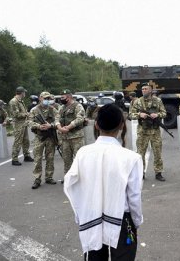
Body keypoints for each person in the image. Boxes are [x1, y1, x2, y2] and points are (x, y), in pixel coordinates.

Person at [64, 104, 143, 261]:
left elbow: (71, 185)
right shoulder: (131, 157)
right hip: (122, 220)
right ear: (121, 125)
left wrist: (80, 215)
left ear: (96, 124)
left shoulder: (83, 153)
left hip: (91, 217)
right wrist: (136, 221)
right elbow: (134, 196)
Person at [129, 83, 167, 181]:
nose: (144, 90)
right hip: (142, 131)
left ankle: (158, 173)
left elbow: (164, 113)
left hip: (155, 131)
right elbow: (130, 115)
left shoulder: (158, 101)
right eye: (142, 89)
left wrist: (157, 115)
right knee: (140, 153)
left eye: (146, 89)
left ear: (150, 90)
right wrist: (139, 115)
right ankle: (141, 173)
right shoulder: (137, 102)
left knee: (157, 153)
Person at [28, 91, 59, 189]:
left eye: (48, 98)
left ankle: (49, 177)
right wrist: (39, 126)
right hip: (39, 137)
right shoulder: (34, 110)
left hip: (50, 136)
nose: (47, 100)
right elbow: (29, 121)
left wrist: (51, 125)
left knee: (50, 157)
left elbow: (58, 120)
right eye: (45, 98)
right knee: (37, 158)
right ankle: (37, 179)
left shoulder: (53, 109)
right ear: (40, 98)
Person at [56, 89, 85, 179]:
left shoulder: (78, 106)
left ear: (69, 97)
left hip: (76, 137)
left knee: (78, 159)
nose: (61, 99)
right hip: (65, 138)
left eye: (63, 97)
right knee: (66, 159)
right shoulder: (62, 108)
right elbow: (56, 118)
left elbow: (80, 119)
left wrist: (68, 127)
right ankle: (68, 177)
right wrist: (59, 127)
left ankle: (81, 178)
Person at [9, 86, 33, 166]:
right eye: (24, 92)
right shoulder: (14, 101)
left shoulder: (20, 101)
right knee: (18, 141)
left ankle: (26, 155)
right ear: (21, 93)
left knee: (26, 140)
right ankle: (14, 159)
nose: (25, 94)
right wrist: (26, 114)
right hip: (18, 124)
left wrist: (27, 115)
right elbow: (16, 114)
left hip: (23, 123)